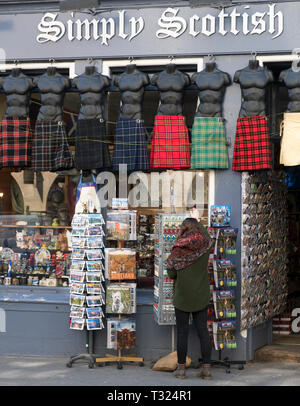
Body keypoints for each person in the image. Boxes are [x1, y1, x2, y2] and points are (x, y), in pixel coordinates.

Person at [166, 216, 213, 380]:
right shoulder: (205, 245)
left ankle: (180, 370)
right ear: (198, 229)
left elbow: (171, 273)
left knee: (182, 333)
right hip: (201, 295)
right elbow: (208, 236)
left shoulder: (177, 249)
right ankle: (206, 369)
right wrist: (199, 221)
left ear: (183, 230)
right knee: (203, 333)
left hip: (182, 296)